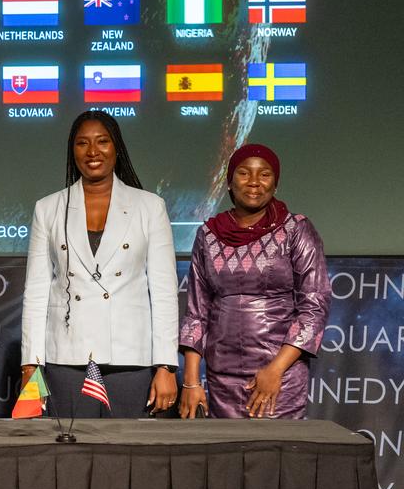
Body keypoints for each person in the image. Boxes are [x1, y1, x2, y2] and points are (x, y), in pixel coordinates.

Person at [20, 111, 179, 418]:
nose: (93, 151)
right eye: (82, 143)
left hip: (130, 357)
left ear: (116, 148)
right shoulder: (48, 208)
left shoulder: (149, 207)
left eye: (102, 141)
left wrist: (165, 365)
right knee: (71, 445)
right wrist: (31, 364)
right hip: (67, 355)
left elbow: (163, 293)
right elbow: (36, 293)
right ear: (73, 151)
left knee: (128, 445)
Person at [178, 144, 330, 419]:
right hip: (221, 378)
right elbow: (196, 313)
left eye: (265, 174)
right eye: (244, 173)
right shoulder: (208, 234)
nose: (254, 182)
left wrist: (275, 370)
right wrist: (191, 381)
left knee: (275, 447)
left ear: (275, 183)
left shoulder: (296, 230)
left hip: (278, 377)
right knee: (225, 448)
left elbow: (314, 306)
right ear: (229, 181)